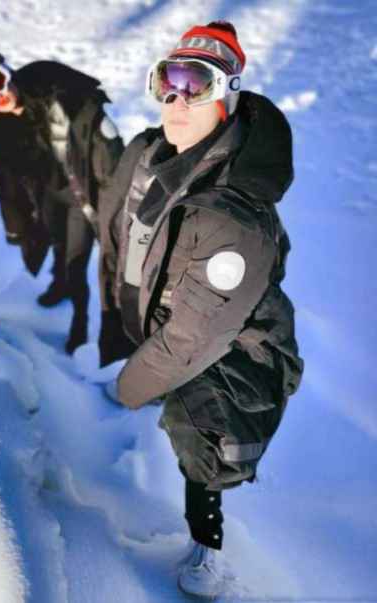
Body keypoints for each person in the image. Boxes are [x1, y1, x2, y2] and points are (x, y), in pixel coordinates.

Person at [98, 21, 304, 598]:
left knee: (202, 440)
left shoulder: (233, 216)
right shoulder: (150, 153)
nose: (177, 99)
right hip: (158, 322)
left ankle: (207, 548)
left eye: (197, 83)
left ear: (229, 94)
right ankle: (146, 388)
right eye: (169, 79)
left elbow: (194, 339)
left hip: (223, 351)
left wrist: (126, 388)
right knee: (162, 375)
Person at [0, 54, 124, 353]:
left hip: (80, 194)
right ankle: (60, 285)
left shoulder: (51, 92)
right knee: (57, 243)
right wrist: (17, 226)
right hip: (48, 197)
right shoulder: (1, 127)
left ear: (8, 73)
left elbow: (101, 139)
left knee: (76, 262)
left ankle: (79, 324)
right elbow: (6, 181)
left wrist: (113, 196)